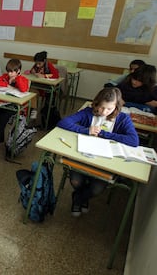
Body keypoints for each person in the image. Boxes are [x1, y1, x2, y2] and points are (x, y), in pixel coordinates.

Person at [57, 87, 139, 217]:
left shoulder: (122, 118)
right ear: (96, 103)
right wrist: (86, 130)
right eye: (101, 107)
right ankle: (82, 199)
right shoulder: (88, 112)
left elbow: (134, 140)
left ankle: (78, 199)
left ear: (116, 107)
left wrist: (105, 134)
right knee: (76, 181)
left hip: (105, 161)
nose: (104, 112)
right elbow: (63, 122)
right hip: (83, 156)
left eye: (109, 109)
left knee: (97, 189)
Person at [0, 59, 30, 154]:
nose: (10, 74)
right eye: (8, 71)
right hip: (1, 103)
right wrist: (7, 84)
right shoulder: (5, 77)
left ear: (18, 71)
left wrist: (17, 79)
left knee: (2, 120)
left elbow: (23, 89)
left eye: (12, 72)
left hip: (13, 106)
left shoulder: (22, 79)